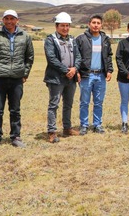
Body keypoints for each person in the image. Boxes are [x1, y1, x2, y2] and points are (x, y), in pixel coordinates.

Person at [0, 9, 34, 148]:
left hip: (17, 78)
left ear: (17, 20)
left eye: (12, 18)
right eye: (7, 18)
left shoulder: (25, 36)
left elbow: (29, 57)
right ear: (3, 20)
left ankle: (16, 137)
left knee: (15, 110)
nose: (9, 21)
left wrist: (25, 73)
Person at [44, 12, 81, 143]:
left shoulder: (72, 40)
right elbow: (52, 59)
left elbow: (78, 56)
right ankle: (52, 132)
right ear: (56, 26)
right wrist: (66, 70)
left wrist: (75, 68)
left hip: (71, 79)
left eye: (67, 25)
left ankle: (67, 128)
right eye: (62, 26)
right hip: (56, 78)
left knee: (68, 104)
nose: (65, 28)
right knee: (54, 105)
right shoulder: (50, 40)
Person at [76, 14, 113, 135]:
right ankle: (84, 125)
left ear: (101, 25)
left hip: (100, 75)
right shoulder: (81, 39)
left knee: (98, 102)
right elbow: (77, 56)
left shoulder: (105, 39)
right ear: (89, 24)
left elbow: (108, 56)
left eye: (98, 23)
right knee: (84, 102)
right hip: (86, 75)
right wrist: (77, 71)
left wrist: (109, 70)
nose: (96, 25)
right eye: (93, 23)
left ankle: (97, 125)